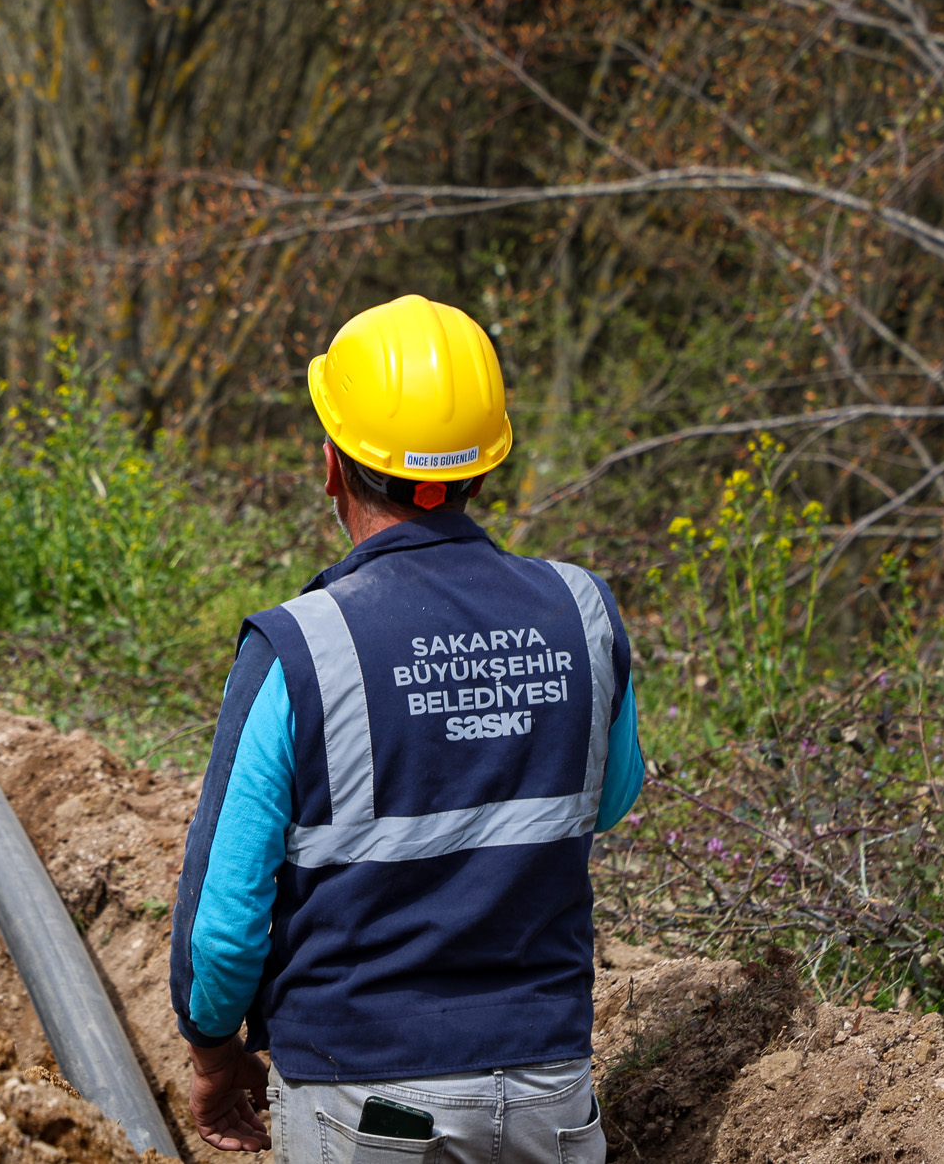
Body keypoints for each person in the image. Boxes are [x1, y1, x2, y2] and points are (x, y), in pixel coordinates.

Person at [169, 294, 645, 1162]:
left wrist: (212, 1049)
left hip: (363, 1094)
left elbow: (225, 922)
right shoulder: (581, 610)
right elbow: (607, 798)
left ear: (332, 465)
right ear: (484, 469)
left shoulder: (301, 646)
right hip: (547, 1085)